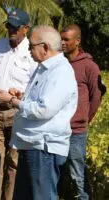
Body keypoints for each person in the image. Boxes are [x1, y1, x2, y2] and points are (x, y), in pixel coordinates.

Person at [0, 25, 78, 200]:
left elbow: (44, 110)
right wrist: (21, 97)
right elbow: (39, 100)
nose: (28, 51)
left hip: (44, 148)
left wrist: (13, 102)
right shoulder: (44, 68)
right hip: (32, 144)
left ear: (45, 47)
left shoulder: (61, 72)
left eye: (31, 46)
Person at [0, 8, 37, 200]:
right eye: (9, 26)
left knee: (13, 164)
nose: (11, 31)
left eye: (16, 28)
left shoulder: (32, 51)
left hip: (17, 113)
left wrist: (16, 99)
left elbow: (35, 86)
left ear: (26, 28)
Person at [59, 24, 102, 200]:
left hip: (76, 131)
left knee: (78, 176)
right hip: (57, 130)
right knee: (58, 175)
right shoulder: (59, 63)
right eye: (61, 39)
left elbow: (96, 97)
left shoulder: (89, 66)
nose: (62, 43)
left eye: (66, 40)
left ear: (77, 41)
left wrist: (83, 118)